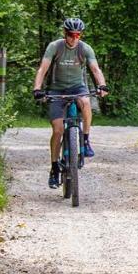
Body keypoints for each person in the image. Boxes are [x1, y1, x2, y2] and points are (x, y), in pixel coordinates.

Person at [32, 17, 109, 189]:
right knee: (58, 130)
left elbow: (96, 69)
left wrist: (102, 85)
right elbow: (42, 69)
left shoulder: (84, 48)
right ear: (64, 34)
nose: (74, 38)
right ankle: (54, 168)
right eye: (71, 35)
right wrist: (37, 88)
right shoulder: (55, 47)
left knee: (86, 102)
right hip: (56, 90)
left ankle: (86, 139)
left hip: (77, 87)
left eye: (77, 35)